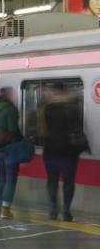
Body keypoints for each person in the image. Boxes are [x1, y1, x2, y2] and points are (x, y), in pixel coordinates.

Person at [38, 82, 88, 221]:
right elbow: (78, 126)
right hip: (69, 149)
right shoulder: (72, 107)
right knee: (69, 180)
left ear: (53, 92)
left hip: (51, 149)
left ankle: (53, 209)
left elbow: (41, 130)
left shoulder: (45, 108)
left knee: (52, 180)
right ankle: (66, 210)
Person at [0, 87, 24, 223]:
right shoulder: (10, 109)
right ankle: (5, 210)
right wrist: (23, 140)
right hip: (10, 148)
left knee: (2, 178)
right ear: (9, 96)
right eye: (14, 94)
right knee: (11, 179)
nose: (15, 96)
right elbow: (14, 130)